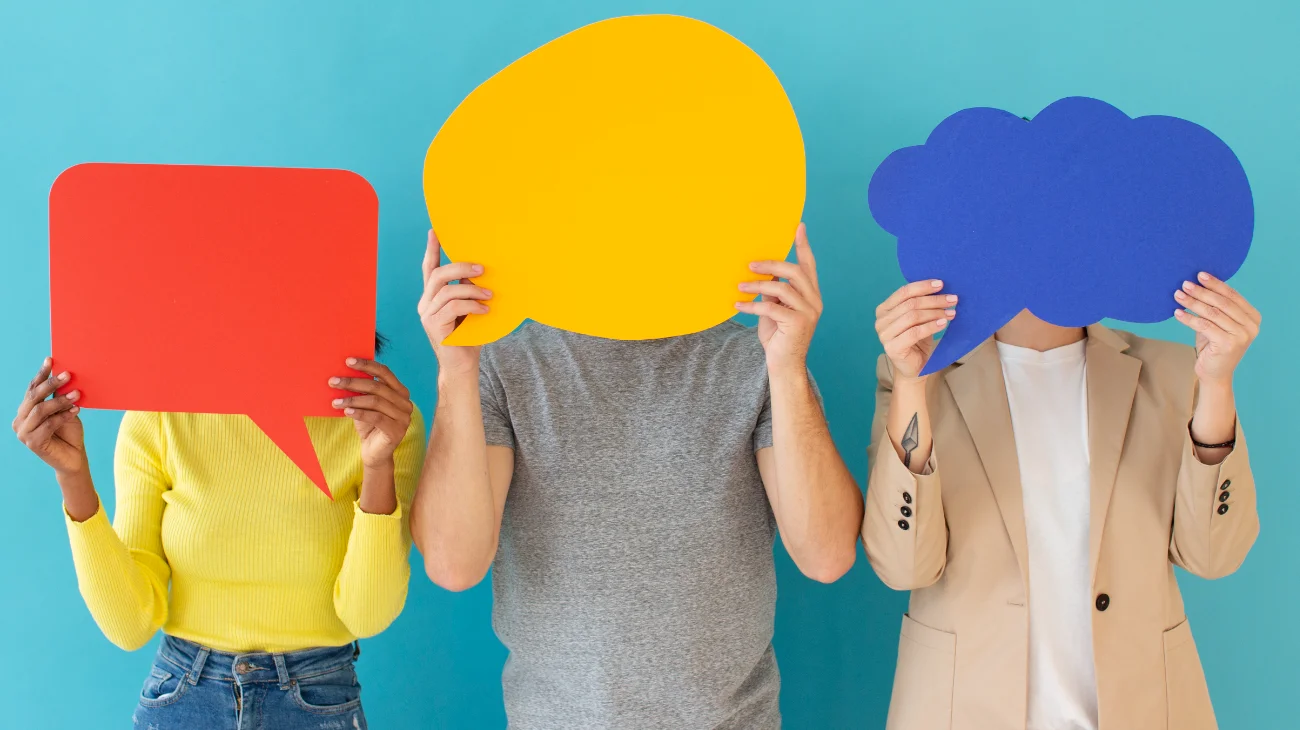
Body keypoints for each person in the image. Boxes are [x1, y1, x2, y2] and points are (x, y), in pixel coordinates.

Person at [412, 225, 863, 729]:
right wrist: (455, 371)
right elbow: (454, 566)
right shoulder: (502, 365)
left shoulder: (758, 360)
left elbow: (826, 556)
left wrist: (789, 368)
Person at [863, 273, 1260, 730]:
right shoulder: (919, 374)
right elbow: (904, 566)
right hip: (963, 711)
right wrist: (912, 382)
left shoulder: (1172, 372)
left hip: (1145, 709)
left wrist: (1217, 385)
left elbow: (1213, 556)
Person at [12, 337, 425, 730]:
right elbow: (130, 625)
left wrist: (377, 465)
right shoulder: (159, 416)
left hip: (318, 698)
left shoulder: (381, 424)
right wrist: (72, 476)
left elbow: (367, 615)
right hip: (182, 695)